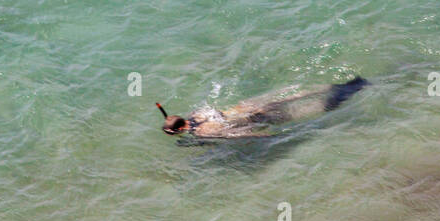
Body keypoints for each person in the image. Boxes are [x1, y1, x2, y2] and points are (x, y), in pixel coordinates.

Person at [157, 77, 369, 139]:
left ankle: (348, 92)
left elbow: (235, 133)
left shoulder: (203, 132)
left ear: (179, 130)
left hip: (256, 118)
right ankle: (342, 84)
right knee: (298, 94)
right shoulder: (196, 113)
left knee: (310, 109)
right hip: (248, 106)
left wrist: (265, 136)